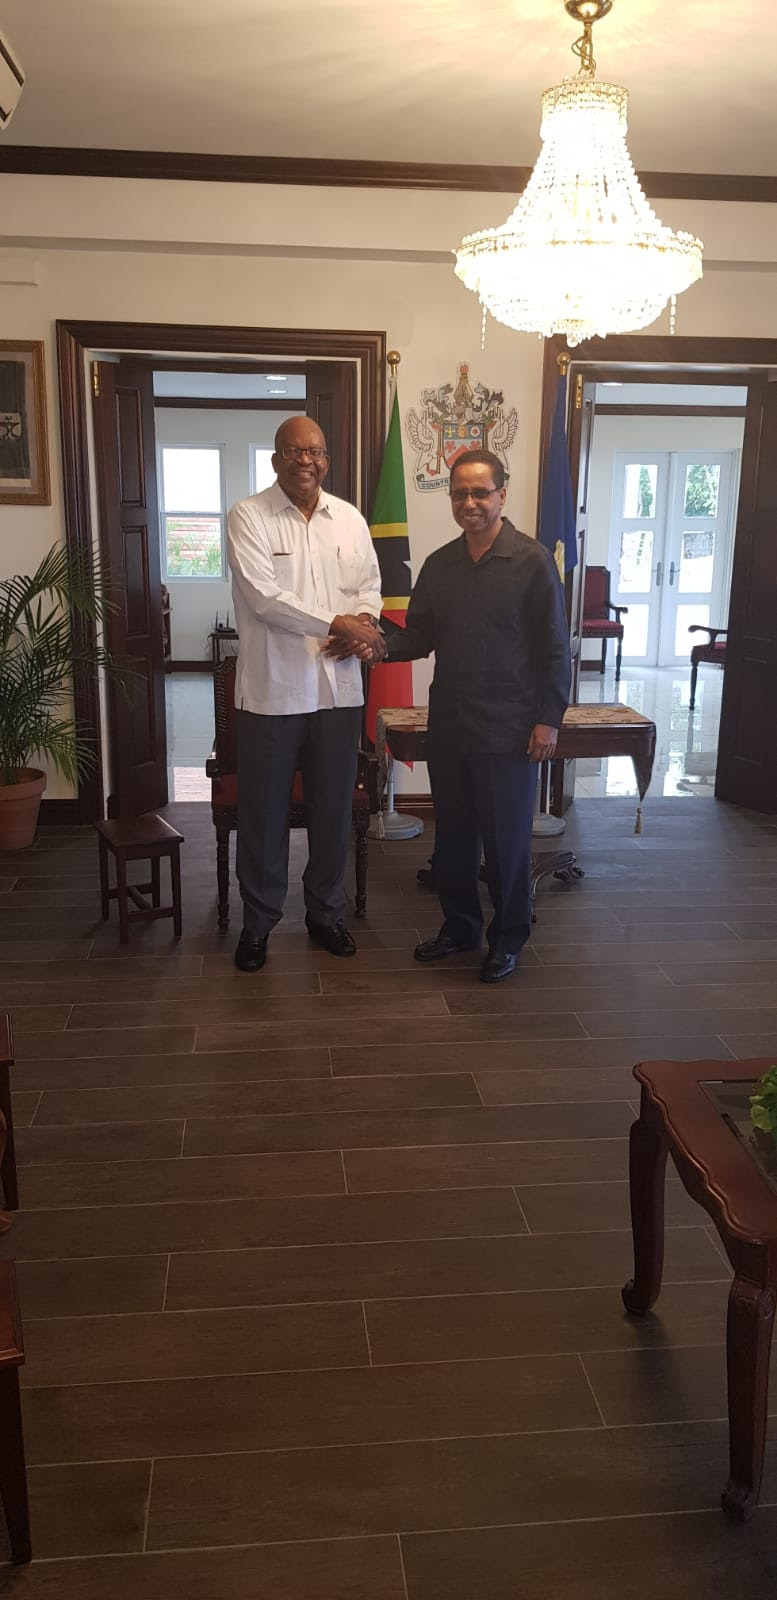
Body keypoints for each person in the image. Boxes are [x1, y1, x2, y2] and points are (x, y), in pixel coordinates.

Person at [384, 448, 571, 983]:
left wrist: (548, 719)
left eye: (480, 493)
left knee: (506, 844)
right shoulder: (439, 564)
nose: (470, 502)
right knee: (453, 840)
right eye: (460, 493)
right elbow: (417, 637)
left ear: (501, 495)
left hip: (510, 731)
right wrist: (375, 642)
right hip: (450, 726)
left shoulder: (532, 561)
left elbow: (555, 649)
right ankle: (461, 927)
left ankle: (508, 937)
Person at [226, 416, 385, 972]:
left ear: (326, 460)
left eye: (315, 451)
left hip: (338, 694)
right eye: (294, 451)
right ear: (276, 460)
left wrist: (364, 621)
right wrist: (340, 623)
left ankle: (325, 914)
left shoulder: (350, 519)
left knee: (332, 812)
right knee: (264, 816)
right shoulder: (249, 516)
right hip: (272, 693)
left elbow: (369, 585)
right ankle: (258, 923)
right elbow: (264, 598)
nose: (306, 460)